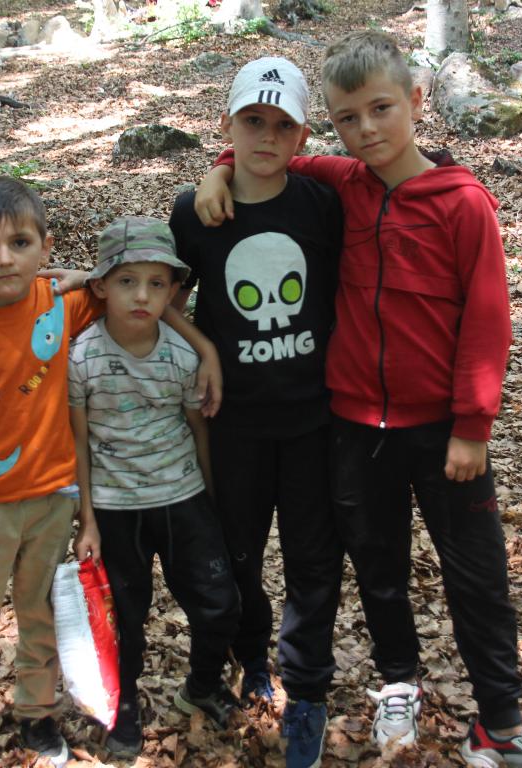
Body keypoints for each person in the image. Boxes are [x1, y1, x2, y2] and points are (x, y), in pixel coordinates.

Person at [194, 32, 522, 768]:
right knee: (378, 567)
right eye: (347, 118)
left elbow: (487, 320)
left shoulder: (463, 204)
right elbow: (271, 154)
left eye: (380, 109)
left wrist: (473, 424)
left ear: (416, 101)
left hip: (445, 434)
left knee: (477, 576)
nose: (365, 130)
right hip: (356, 425)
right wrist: (220, 167)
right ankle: (399, 681)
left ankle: (499, 724)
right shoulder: (346, 183)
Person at [0, 178, 220, 768]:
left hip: (54, 499)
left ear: (44, 247)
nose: (5, 259)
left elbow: (144, 302)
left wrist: (206, 351)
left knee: (42, 616)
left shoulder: (62, 303)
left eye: (20, 243)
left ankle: (38, 714)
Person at [169, 57, 345, 768]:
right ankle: (251, 660)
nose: (266, 136)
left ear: (302, 135)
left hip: (314, 422)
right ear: (227, 125)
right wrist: (205, 348)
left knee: (312, 562)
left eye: (282, 125)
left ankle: (308, 693)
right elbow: (163, 299)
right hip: (233, 424)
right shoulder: (196, 213)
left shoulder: (321, 205)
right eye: (252, 121)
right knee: (237, 553)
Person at [67, 216, 241, 758]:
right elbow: (78, 443)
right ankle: (124, 706)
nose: (141, 296)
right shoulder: (83, 356)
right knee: (126, 617)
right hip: (115, 508)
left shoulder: (183, 356)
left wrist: (210, 500)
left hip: (182, 497)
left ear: (172, 291)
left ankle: (202, 684)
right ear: (101, 286)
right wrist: (87, 518)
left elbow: (197, 429)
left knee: (218, 603)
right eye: (127, 281)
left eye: (156, 283)